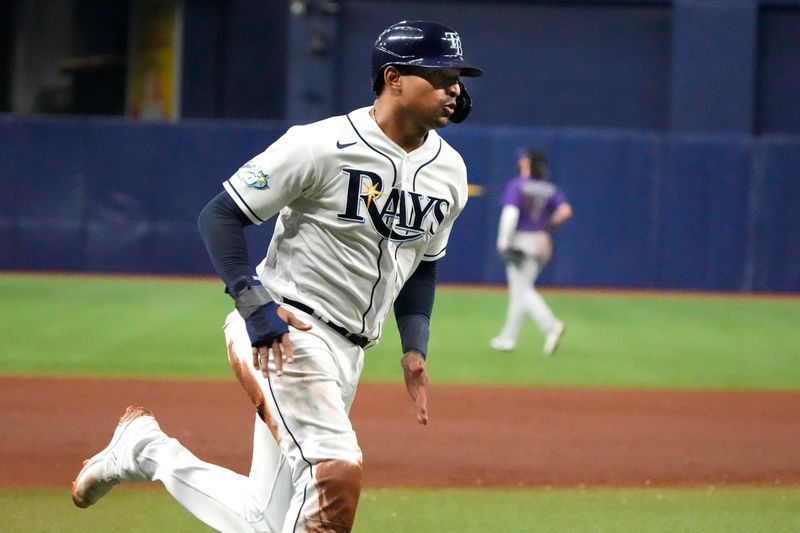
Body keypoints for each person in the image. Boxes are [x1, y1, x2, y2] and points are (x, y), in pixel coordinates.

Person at [71, 20, 482, 533]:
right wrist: (253, 303)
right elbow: (220, 215)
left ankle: (145, 450)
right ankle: (144, 449)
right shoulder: (321, 144)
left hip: (350, 353)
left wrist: (414, 346)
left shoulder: (450, 171)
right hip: (286, 331)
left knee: (263, 520)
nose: (454, 89)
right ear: (394, 78)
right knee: (334, 475)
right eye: (440, 75)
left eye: (458, 78)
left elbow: (422, 263)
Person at [490, 147, 572, 356]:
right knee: (520, 291)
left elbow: (510, 213)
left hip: (522, 241)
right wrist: (547, 227)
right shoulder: (549, 188)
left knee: (523, 291)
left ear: (528, 162)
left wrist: (503, 239)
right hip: (542, 242)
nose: (520, 162)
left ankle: (551, 326)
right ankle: (508, 338)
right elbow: (565, 211)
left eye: (523, 159)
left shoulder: (518, 185)